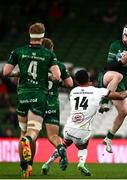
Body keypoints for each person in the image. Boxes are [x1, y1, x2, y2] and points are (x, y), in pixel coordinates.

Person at [42, 69, 127, 176]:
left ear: (76, 81)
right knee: (82, 146)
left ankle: (47, 163)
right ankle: (81, 163)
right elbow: (121, 96)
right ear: (89, 79)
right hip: (83, 130)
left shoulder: (73, 91)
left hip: (68, 129)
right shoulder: (98, 91)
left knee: (64, 144)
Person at [3, 22, 61, 178]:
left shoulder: (18, 51)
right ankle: (30, 162)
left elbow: (6, 72)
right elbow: (57, 77)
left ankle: (24, 167)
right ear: (42, 37)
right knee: (32, 132)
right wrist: (45, 76)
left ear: (30, 35)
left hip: (22, 94)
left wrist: (19, 74)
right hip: (39, 96)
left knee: (22, 132)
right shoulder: (48, 54)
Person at [97, 23, 127, 153]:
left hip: (120, 79)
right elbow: (109, 66)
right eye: (126, 35)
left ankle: (108, 138)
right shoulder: (115, 45)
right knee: (116, 75)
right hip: (106, 76)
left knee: (124, 112)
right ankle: (104, 102)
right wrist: (121, 62)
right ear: (122, 35)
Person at [40, 38, 73, 173]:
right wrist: (58, 82)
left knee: (31, 132)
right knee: (53, 135)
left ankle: (26, 165)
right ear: (52, 49)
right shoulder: (58, 65)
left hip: (36, 101)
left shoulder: (35, 63)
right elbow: (70, 84)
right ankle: (61, 150)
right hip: (52, 101)